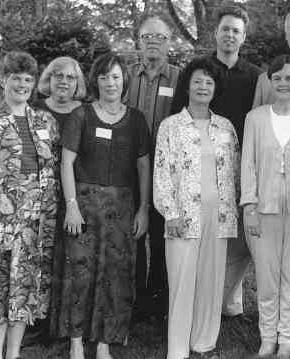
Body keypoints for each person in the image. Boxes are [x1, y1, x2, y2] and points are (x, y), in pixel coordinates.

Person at [0, 51, 59, 359]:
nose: (22, 84)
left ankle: (14, 353)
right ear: (3, 80)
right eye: (15, 78)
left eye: (28, 79)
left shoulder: (45, 120)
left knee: (23, 289)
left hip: (34, 224)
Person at [56, 52, 151, 359]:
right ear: (95, 80)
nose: (110, 82)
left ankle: (105, 342)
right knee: (80, 273)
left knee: (115, 273)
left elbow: (143, 167)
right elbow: (66, 162)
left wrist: (143, 209)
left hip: (122, 208)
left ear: (124, 81)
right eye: (103, 76)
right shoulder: (81, 116)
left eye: (115, 77)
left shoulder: (136, 119)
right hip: (83, 207)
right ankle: (75, 341)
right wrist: (71, 205)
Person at [172, 3, 262, 318]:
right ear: (216, 32)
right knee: (199, 232)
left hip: (238, 163)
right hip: (196, 164)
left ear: (244, 36)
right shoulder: (198, 69)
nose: (230, 35)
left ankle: (228, 299)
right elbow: (176, 113)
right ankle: (195, 299)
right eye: (225, 29)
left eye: (236, 30)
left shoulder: (254, 76)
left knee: (234, 235)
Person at [154, 57, 240, 359]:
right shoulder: (170, 126)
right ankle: (177, 350)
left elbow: (237, 173)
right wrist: (171, 213)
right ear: (187, 85)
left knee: (211, 282)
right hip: (182, 217)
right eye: (198, 81)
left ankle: (203, 343)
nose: (203, 86)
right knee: (181, 283)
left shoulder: (226, 128)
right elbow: (162, 172)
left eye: (209, 82)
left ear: (215, 89)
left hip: (220, 217)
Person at [241, 55, 290, 358]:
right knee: (267, 277)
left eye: (289, 78)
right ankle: (267, 337)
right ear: (269, 82)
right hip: (263, 210)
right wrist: (249, 205)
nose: (283, 83)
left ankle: (287, 337)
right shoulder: (255, 118)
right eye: (277, 78)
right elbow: (247, 163)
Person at [127, 15, 180, 322]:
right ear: (139, 42)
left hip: (165, 170)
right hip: (128, 168)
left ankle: (158, 297)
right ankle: (134, 297)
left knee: (161, 236)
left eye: (160, 37)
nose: (153, 43)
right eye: (148, 37)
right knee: (133, 233)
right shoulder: (125, 76)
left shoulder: (179, 77)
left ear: (169, 43)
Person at [31, 56, 86, 343]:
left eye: (70, 77)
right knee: (41, 259)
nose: (64, 82)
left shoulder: (87, 112)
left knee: (70, 261)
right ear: (47, 79)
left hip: (75, 197)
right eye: (58, 76)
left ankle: (66, 323)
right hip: (40, 198)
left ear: (78, 83)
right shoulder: (34, 110)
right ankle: (38, 323)